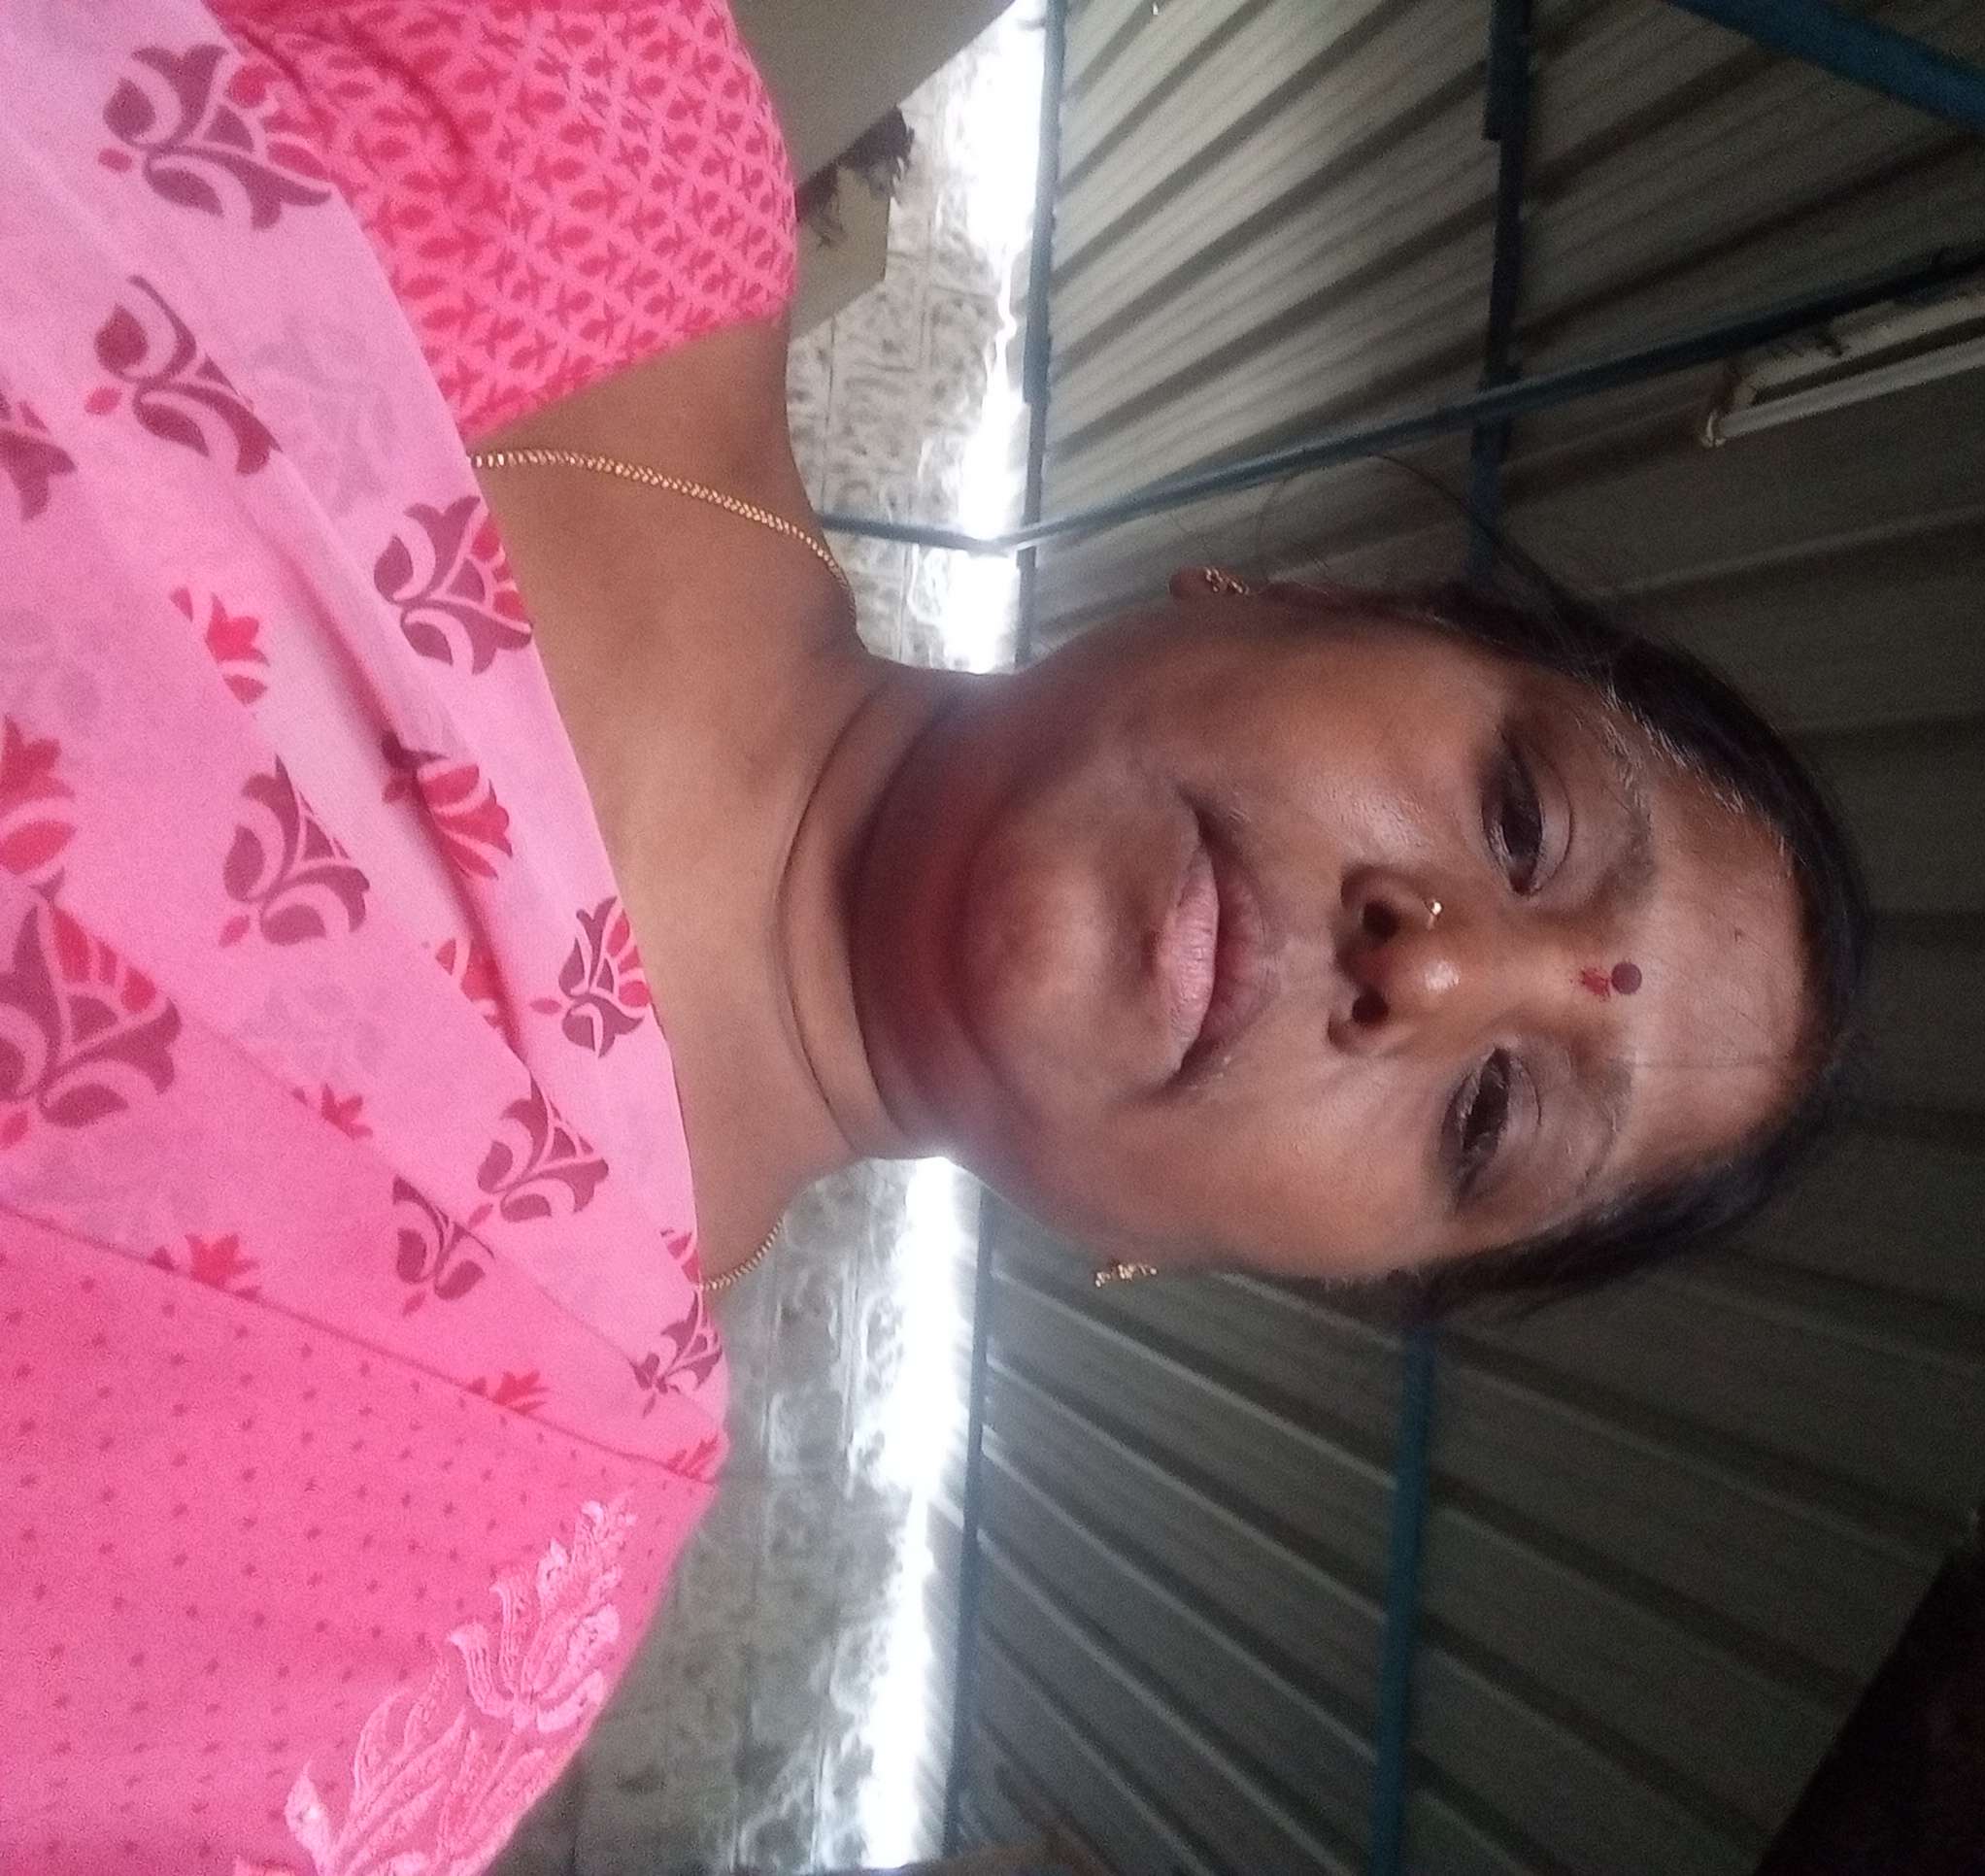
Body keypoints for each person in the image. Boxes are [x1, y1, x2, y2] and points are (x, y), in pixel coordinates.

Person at [0, 0, 1864, 1869]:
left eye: (1489, 1121)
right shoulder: (595, 109)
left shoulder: (443, 1593)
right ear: (1300, 596)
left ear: (1229, 1266)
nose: (1429, 970)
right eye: (1524, 818)